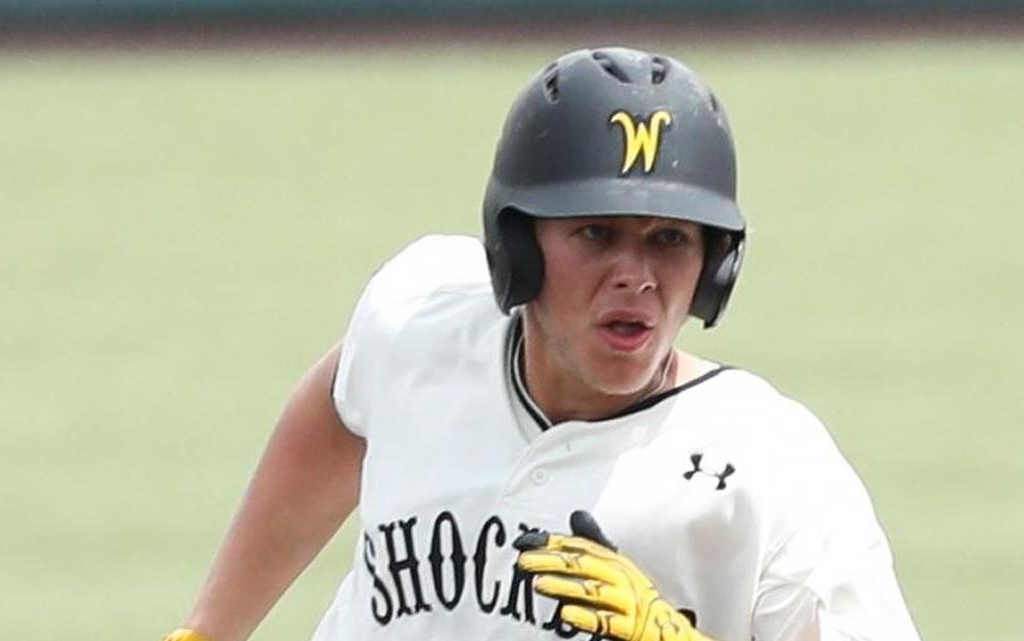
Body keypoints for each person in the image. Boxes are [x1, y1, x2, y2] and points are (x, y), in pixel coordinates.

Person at [160, 47, 921, 641]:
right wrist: (209, 629)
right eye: (596, 233)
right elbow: (335, 412)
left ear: (715, 265)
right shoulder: (421, 317)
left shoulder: (772, 464)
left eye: (670, 240)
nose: (637, 277)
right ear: (516, 247)